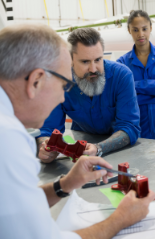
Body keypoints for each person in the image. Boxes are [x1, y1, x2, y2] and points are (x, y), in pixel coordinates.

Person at [0, 25, 155, 239]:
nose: (64, 96)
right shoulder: (9, 140)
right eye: (64, 85)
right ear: (36, 81)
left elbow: (19, 205)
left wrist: (63, 185)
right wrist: (121, 219)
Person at [37, 28, 140, 163]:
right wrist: (46, 146)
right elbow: (48, 129)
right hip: (80, 152)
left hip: (121, 152)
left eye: (98, 60)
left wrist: (98, 148)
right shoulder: (60, 81)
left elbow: (129, 126)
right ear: (70, 60)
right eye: (85, 62)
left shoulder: (121, 76)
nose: (93, 69)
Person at [116, 10, 155, 139]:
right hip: (137, 125)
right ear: (129, 30)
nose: (141, 34)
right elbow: (121, 95)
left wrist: (134, 87)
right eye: (135, 30)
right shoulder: (122, 62)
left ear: (150, 28)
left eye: (144, 29)